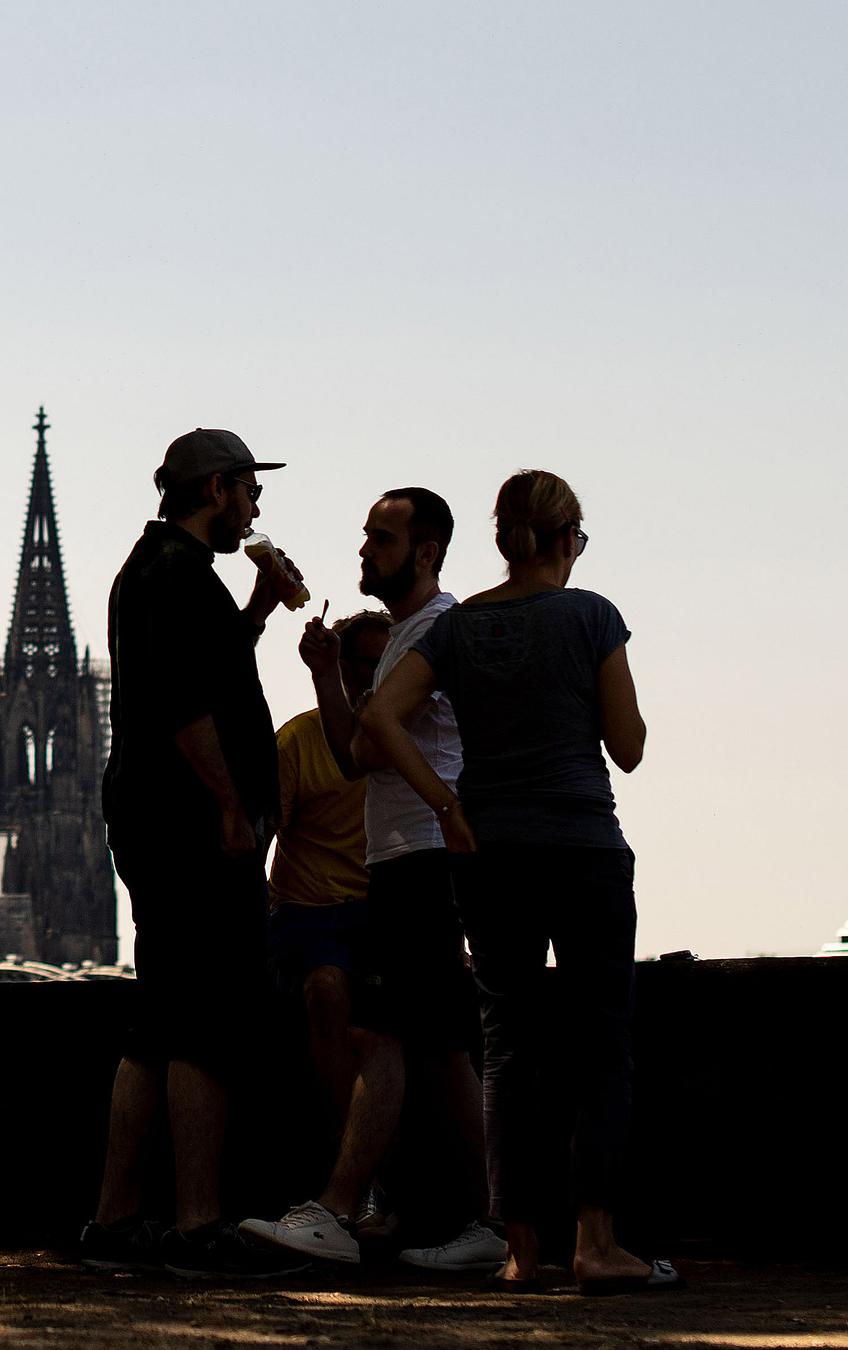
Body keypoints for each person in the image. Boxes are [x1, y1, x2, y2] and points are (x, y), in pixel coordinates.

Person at [359, 469, 671, 1294]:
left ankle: (521, 1250)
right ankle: (598, 1243)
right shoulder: (591, 615)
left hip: (488, 851)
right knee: (601, 1046)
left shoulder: (457, 629)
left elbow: (379, 718)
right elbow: (629, 745)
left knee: (508, 1050)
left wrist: (447, 806)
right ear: (566, 538)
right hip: (583, 846)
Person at [246, 488, 501, 1272]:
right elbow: (358, 745)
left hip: (418, 860)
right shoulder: (413, 638)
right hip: (406, 861)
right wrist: (329, 673)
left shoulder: (432, 630)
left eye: (381, 539)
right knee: (435, 1045)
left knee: (403, 1039)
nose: (363, 550)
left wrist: (444, 808)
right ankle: (485, 1221)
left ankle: (346, 1207)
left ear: (425, 552)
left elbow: (369, 741)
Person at [79, 428, 307, 1278]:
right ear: (215, 489)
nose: (255, 507)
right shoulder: (175, 576)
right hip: (189, 825)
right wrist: (230, 808)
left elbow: (198, 675)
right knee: (207, 1021)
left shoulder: (163, 574)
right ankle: (199, 1224)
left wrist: (254, 610)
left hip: (155, 819)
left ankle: (116, 1222)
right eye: (249, 490)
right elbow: (182, 709)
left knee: (159, 1020)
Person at [261, 610, 389, 1167]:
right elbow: (259, 836)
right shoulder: (298, 741)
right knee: (328, 993)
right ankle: (356, 1169)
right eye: (365, 666)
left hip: (381, 911)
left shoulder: (405, 743)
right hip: (310, 912)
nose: (378, 680)